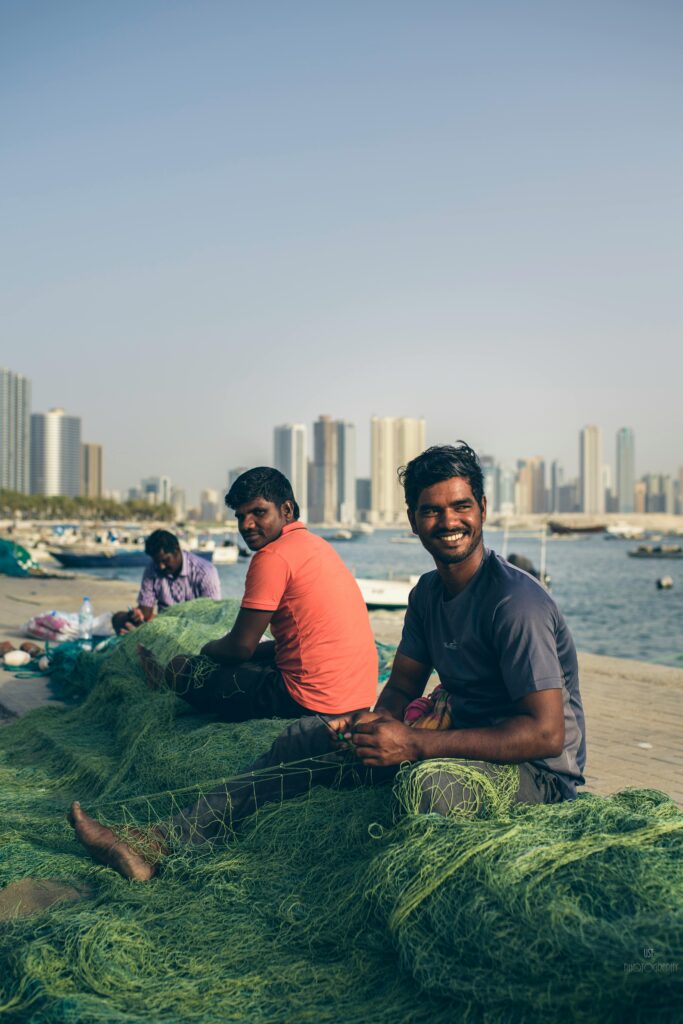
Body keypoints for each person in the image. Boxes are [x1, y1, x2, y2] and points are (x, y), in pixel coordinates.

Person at [69, 443, 586, 881]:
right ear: (412, 520)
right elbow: (403, 685)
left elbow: (546, 735)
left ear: (483, 509)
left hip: (536, 776)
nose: (448, 521)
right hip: (461, 737)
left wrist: (414, 743)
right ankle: (160, 844)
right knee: (304, 739)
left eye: (460, 506)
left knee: (428, 787)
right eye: (431, 510)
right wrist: (371, 725)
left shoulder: (514, 604)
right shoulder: (428, 594)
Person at [138, 467, 378, 723]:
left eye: (258, 512)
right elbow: (300, 640)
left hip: (309, 701)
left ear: (286, 510)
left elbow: (240, 648)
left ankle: (162, 678)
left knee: (181, 667)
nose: (246, 525)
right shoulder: (318, 546)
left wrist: (207, 650)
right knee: (262, 654)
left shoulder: (272, 555)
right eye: (240, 516)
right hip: (358, 698)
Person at [111, 530, 221, 634]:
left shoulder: (205, 571)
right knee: (118, 619)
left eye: (165, 560)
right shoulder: (152, 569)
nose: (161, 566)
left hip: (195, 627)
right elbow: (146, 611)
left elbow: (212, 614)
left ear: (177, 550)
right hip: (163, 626)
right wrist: (137, 614)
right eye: (157, 561)